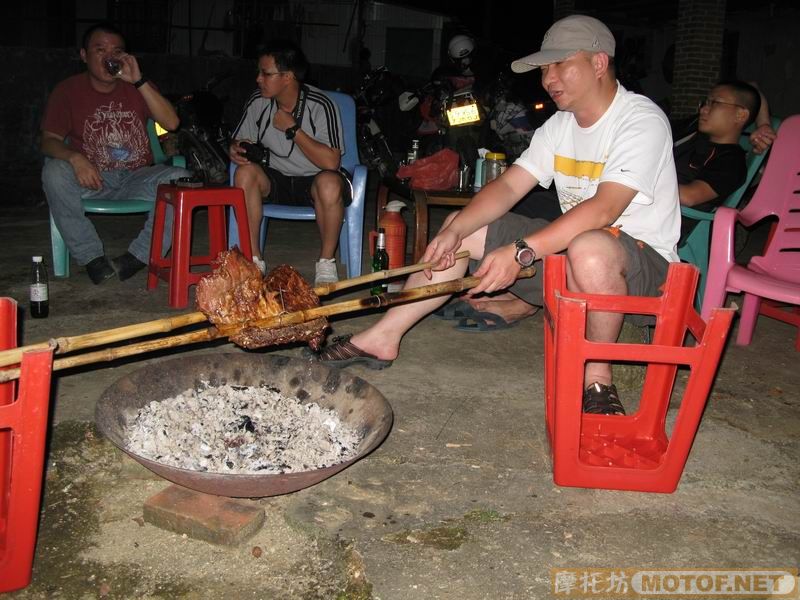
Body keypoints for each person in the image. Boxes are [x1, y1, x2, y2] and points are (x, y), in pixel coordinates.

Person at [314, 15, 681, 416]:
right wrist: (457, 230)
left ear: (598, 63)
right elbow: (508, 186)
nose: (548, 79)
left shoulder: (639, 120)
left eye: (559, 65)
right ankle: (384, 336)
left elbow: (605, 209)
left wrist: (522, 251)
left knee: (590, 247)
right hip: (572, 259)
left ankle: (597, 379)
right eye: (544, 69)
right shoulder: (560, 125)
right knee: (464, 232)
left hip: (643, 267)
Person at [41, 22, 189, 284]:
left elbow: (172, 123)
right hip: (91, 178)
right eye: (100, 50)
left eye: (117, 51)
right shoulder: (68, 91)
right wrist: (75, 159)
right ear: (84, 55)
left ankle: (137, 258)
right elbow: (48, 141)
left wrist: (139, 81)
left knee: (182, 179)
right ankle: (92, 258)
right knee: (53, 171)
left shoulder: (138, 86)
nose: (110, 57)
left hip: (137, 177)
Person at [229, 40, 348, 285]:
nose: (258, 79)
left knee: (329, 183)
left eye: (266, 73)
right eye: (259, 73)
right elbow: (240, 139)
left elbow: (331, 162)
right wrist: (236, 149)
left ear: (288, 77)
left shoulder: (321, 105)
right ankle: (253, 261)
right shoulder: (258, 102)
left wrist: (294, 129)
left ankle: (326, 262)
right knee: (244, 174)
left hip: (313, 180)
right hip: (275, 179)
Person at [675, 80, 761, 242]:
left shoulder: (731, 161)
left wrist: (636, 181)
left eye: (715, 103)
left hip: (669, 221)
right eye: (705, 102)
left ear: (740, 115)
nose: (704, 109)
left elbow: (689, 196)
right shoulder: (694, 134)